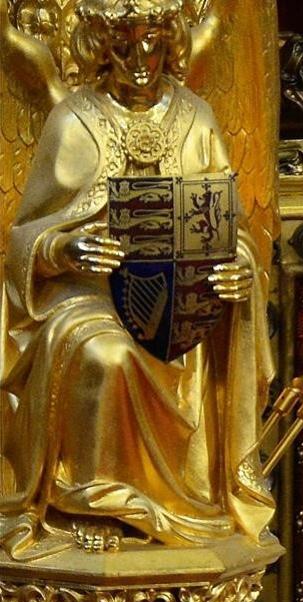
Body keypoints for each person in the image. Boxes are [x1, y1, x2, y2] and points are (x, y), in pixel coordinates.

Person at [0, 0, 274, 558]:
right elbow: (25, 238)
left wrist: (239, 267)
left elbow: (230, 226)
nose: (140, 59)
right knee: (107, 356)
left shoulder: (194, 116)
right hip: (88, 298)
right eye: (123, 45)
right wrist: (64, 247)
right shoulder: (74, 119)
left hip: (180, 300)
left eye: (152, 41)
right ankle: (95, 501)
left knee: (182, 348)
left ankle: (192, 502)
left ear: (172, 41)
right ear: (100, 47)